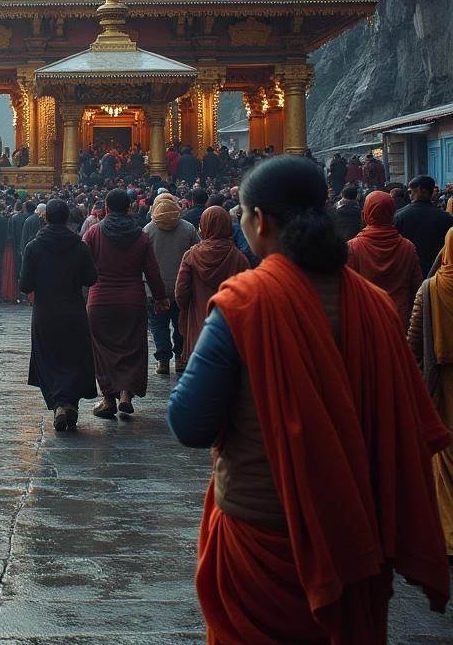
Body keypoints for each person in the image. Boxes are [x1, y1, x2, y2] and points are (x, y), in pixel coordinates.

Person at [168, 156, 449, 643]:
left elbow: (189, 423)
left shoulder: (246, 302)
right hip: (356, 526)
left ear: (258, 221)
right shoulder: (376, 307)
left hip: (261, 530)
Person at [83, 189, 168, 419]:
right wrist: (161, 297)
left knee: (103, 351)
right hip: (132, 301)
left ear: (107, 209)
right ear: (130, 207)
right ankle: (126, 395)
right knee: (132, 349)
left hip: (100, 300)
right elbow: (152, 271)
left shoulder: (93, 233)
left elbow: (82, 266)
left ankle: (108, 398)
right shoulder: (141, 236)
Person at [20, 198, 98, 431]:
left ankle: (59, 404)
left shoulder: (33, 247)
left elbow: (25, 284)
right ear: (67, 218)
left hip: (45, 311)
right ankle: (69, 403)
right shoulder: (80, 246)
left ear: (45, 218)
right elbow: (91, 278)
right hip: (73, 310)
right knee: (73, 357)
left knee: (49, 358)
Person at [408, 227, 453, 561]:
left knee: (445, 455)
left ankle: (449, 535)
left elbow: (415, 339)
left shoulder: (433, 287)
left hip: (441, 382)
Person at [174, 206, 249, 370]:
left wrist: (185, 310)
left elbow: (181, 291)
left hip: (198, 322)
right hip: (228, 328)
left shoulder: (191, 255)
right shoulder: (239, 259)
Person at [347, 190, 422, 330]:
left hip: (366, 319)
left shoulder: (353, 247)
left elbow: (346, 290)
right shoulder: (408, 247)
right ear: (391, 213)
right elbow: (417, 287)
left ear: (366, 213)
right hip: (399, 319)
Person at [143, 194, 198, 376]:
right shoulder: (188, 229)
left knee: (159, 325)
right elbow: (197, 254)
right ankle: (181, 359)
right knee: (180, 323)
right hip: (182, 286)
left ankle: (163, 361)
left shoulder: (148, 230)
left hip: (154, 288)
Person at [396, 175, 453, 275]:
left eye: (411, 192)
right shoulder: (446, 218)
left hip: (408, 272)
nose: (409, 195)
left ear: (422, 191)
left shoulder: (399, 216)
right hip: (436, 273)